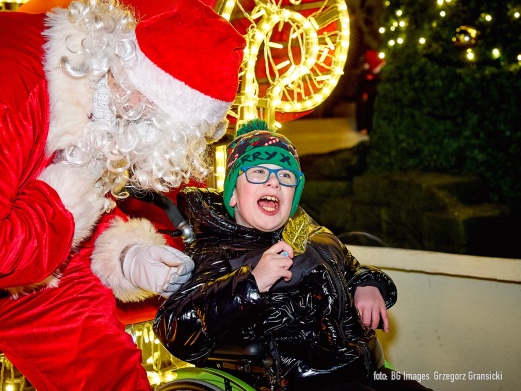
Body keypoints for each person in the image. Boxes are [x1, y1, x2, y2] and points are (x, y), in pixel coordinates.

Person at [0, 0, 245, 390]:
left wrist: (127, 255)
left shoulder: (105, 89)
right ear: (144, 99)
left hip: (26, 260)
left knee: (110, 374)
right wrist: (66, 206)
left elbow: (62, 188)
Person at [154, 119, 432, 391]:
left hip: (365, 367)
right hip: (304, 380)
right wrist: (251, 284)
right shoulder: (216, 250)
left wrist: (367, 283)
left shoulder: (312, 233)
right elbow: (175, 328)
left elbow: (351, 267)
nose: (274, 183)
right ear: (233, 194)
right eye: (258, 172)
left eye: (285, 177)